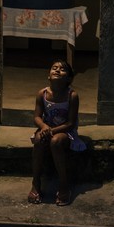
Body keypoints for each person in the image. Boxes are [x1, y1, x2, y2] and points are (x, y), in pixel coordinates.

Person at [27, 59, 86, 206]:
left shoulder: (72, 95)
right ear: (49, 75)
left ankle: (64, 184)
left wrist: (51, 130)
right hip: (47, 128)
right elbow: (36, 117)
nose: (58, 70)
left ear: (69, 78)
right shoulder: (43, 93)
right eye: (54, 68)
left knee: (56, 141)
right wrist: (44, 127)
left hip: (66, 131)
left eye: (62, 69)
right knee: (39, 140)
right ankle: (36, 182)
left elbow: (71, 123)